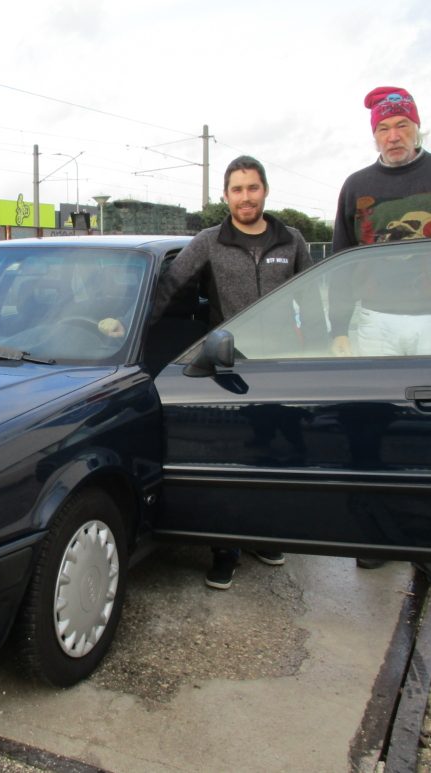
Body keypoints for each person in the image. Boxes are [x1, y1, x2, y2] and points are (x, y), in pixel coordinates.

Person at [330, 86, 431, 591]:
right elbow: (339, 261)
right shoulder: (356, 184)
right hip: (375, 321)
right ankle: (377, 537)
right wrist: (337, 328)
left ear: (417, 127)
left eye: (401, 126)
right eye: (383, 128)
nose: (392, 136)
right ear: (373, 134)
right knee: (372, 428)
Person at [149, 155, 316, 590]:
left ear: (265, 191)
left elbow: (313, 299)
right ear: (226, 196)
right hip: (228, 365)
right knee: (230, 459)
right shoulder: (209, 241)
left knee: (274, 453)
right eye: (237, 190)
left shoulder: (291, 239)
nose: (246, 197)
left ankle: (263, 536)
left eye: (253, 188)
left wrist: (326, 342)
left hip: (279, 365)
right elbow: (169, 287)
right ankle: (225, 548)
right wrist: (125, 325)